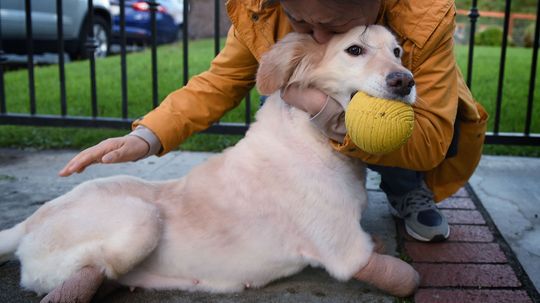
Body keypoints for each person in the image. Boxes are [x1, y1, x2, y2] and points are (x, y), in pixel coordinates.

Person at [59, 0, 488, 242]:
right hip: (321, 129)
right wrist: (149, 137)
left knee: (399, 119)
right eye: (305, 23)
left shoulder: (424, 18)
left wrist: (326, 112)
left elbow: (432, 137)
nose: (318, 36)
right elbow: (221, 81)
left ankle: (407, 188)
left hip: (412, 112)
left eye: (336, 26)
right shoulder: (264, 11)